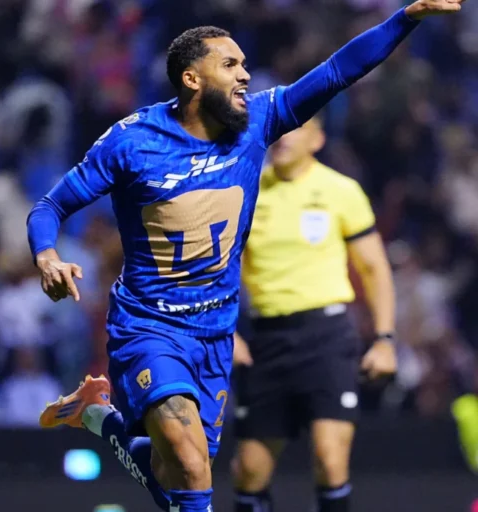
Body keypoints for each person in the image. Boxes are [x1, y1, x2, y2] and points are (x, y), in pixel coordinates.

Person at [27, 2, 464, 511]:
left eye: (244, 64)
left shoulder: (260, 120)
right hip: (149, 327)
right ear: (192, 78)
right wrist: (47, 255)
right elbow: (51, 204)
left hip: (214, 331)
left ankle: (101, 419)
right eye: (230, 65)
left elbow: (339, 71)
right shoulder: (132, 142)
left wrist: (405, 17)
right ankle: (107, 418)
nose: (245, 74)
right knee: (190, 466)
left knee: (182, 479)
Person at [230, 117, 396, 512]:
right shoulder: (245, 190)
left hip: (326, 335)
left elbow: (374, 268)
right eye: (277, 129)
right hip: (265, 339)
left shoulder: (341, 191)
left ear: (317, 138)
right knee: (249, 470)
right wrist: (225, 331)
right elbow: (221, 271)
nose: (281, 138)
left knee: (329, 457)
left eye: (293, 129)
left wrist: (386, 339)